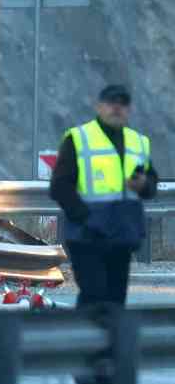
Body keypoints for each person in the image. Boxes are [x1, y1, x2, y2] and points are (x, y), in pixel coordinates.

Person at [50, 84, 159, 309]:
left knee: (115, 300)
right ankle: (80, 341)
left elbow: (151, 185)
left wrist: (143, 184)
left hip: (122, 236)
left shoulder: (138, 142)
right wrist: (86, 217)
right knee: (94, 296)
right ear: (99, 106)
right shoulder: (79, 138)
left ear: (129, 109)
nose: (117, 108)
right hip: (87, 237)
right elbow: (60, 187)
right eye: (111, 103)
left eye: (122, 104)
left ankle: (110, 343)